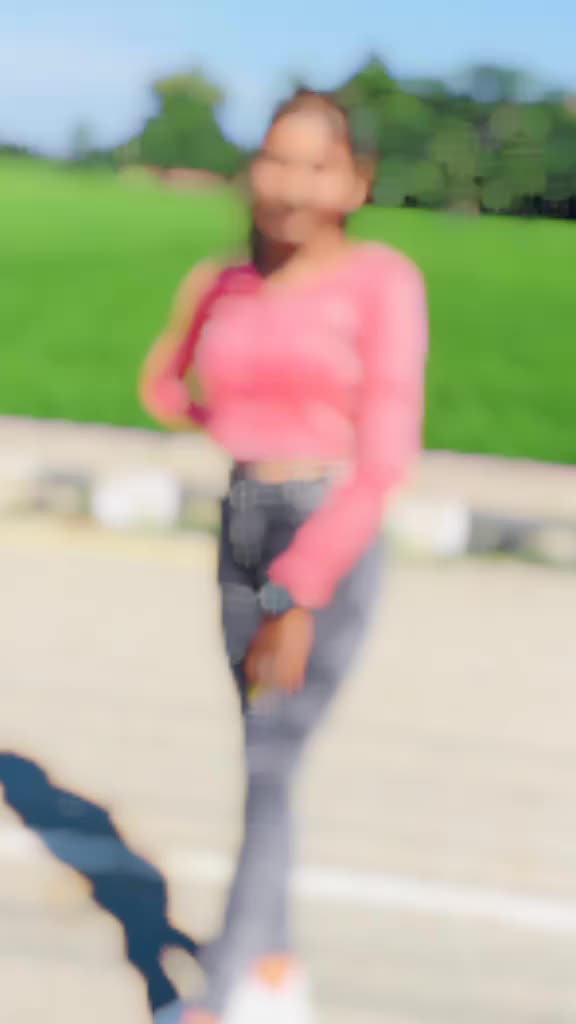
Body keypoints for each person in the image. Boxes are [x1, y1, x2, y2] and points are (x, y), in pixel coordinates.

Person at [139, 89, 428, 1024]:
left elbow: (384, 462)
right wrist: (234, 419)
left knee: (270, 758)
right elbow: (164, 386)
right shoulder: (227, 281)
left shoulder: (382, 281)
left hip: (324, 535)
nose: (291, 186)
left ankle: (225, 995)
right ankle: (273, 965)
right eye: (276, 160)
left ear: (355, 182)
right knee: (266, 756)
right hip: (242, 516)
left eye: (317, 166)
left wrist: (296, 591)